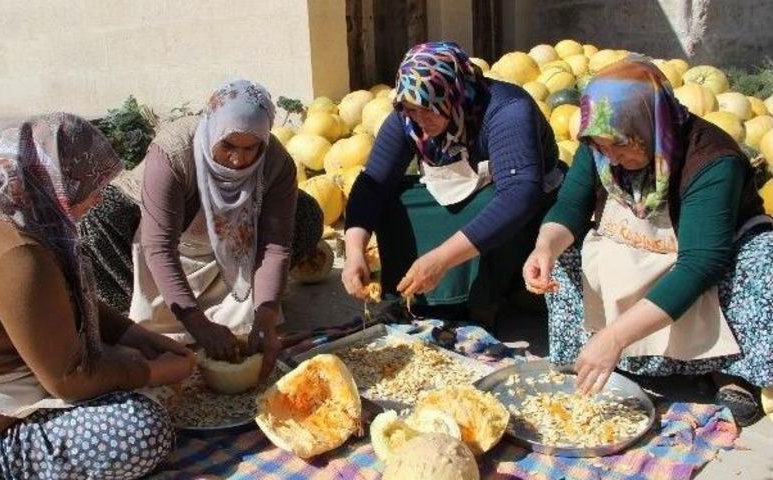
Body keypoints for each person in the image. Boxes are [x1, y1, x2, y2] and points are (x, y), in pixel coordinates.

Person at [0, 113, 194, 479]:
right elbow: (69, 379)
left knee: (123, 362)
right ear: (58, 184)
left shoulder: (1, 223)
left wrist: (141, 336)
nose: (98, 198)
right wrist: (155, 371)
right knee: (141, 427)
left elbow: (66, 305)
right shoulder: (15, 255)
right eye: (91, 187)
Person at [522, 57, 773, 426]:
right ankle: (611, 358)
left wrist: (615, 336)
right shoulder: (601, 146)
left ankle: (732, 371)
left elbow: (701, 263)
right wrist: (544, 248)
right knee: (564, 252)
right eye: (602, 148)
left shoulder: (712, 159)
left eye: (621, 146)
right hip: (633, 242)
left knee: (762, 262)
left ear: (650, 124)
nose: (612, 158)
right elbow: (570, 208)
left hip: (700, 256)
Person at [80, 80, 321, 376]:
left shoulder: (275, 162)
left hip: (236, 246)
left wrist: (266, 318)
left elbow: (275, 247)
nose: (238, 160)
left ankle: (241, 308)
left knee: (307, 214)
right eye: (228, 145)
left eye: (251, 148)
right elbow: (159, 246)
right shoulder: (174, 151)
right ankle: (147, 314)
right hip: (161, 241)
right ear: (212, 131)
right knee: (99, 218)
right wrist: (198, 324)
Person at [342, 42, 562, 323]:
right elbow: (372, 185)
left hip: (524, 201)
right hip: (462, 187)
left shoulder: (507, 110)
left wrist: (441, 259)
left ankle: (484, 297)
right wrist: (354, 252)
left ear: (455, 93)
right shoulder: (407, 119)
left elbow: (519, 195)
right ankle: (421, 300)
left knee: (492, 205)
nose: (420, 120)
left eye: (429, 109)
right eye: (411, 109)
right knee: (393, 202)